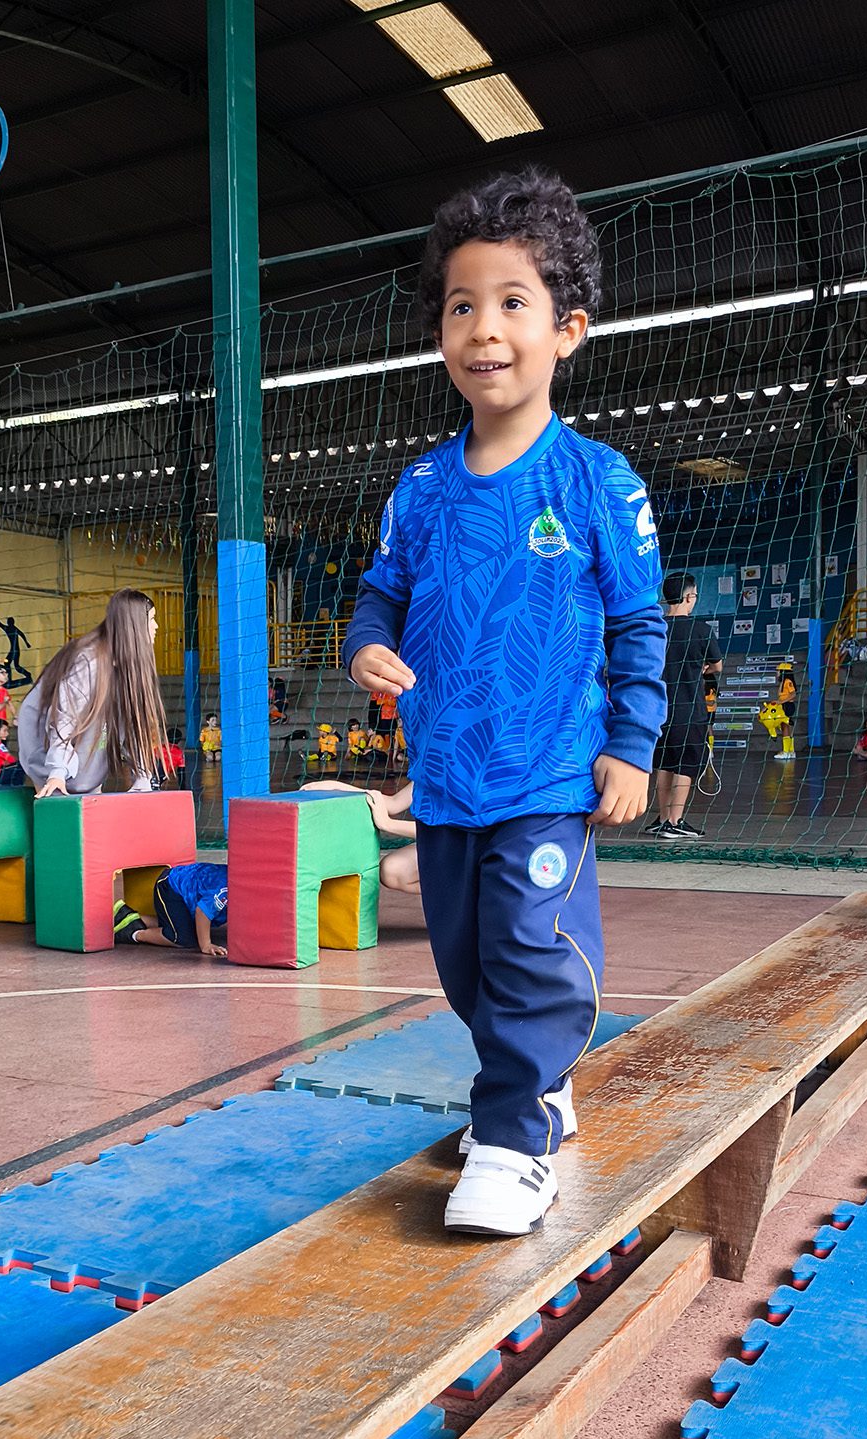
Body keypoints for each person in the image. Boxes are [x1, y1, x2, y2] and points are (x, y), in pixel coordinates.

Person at [341, 168, 667, 1237]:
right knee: (468, 962)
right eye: (461, 306)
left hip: (546, 774)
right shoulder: (422, 488)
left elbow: (640, 623)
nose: (484, 328)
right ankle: (540, 1087)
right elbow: (380, 595)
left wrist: (631, 744)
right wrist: (368, 646)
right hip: (448, 779)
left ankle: (516, 1141)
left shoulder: (598, 482)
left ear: (567, 330)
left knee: (532, 948)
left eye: (512, 302)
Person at [17, 588, 169, 798]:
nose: (156, 626)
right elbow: (64, 718)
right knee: (59, 791)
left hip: (90, 724)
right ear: (134, 624)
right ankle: (54, 783)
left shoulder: (129, 665)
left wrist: (143, 777)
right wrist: (57, 773)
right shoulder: (89, 661)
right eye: (151, 619)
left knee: (88, 783)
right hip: (43, 730)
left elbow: (133, 721)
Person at [644, 573, 722, 840]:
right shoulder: (701, 630)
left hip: (657, 710)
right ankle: (675, 822)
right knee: (686, 766)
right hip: (689, 710)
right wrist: (701, 666)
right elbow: (717, 665)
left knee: (664, 765)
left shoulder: (654, 628)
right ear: (689, 597)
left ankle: (662, 818)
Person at [303, 778, 420, 893]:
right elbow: (394, 803)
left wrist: (388, 824)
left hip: (432, 841)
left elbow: (433, 831)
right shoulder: (426, 770)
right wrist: (336, 787)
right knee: (393, 870)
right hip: (429, 843)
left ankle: (432, 901)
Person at [113, 862, 228, 957]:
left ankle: (125, 916)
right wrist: (206, 945)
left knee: (180, 926)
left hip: (185, 891)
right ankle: (133, 933)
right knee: (181, 938)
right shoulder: (225, 889)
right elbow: (202, 912)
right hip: (171, 886)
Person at [0, 612, 33, 687]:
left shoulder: (12, 629)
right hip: (13, 650)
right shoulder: (11, 628)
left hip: (15, 650)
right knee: (8, 663)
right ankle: (10, 678)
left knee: (14, 665)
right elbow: (0, 624)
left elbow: (21, 634)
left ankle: (26, 675)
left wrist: (27, 643)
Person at [774, 660, 797, 760]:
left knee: (785, 727)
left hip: (787, 706)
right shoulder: (782, 682)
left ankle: (786, 751)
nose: (777, 673)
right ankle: (790, 751)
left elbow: (793, 694)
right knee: (785, 727)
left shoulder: (788, 682)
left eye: (779, 671)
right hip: (784, 705)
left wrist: (782, 702)